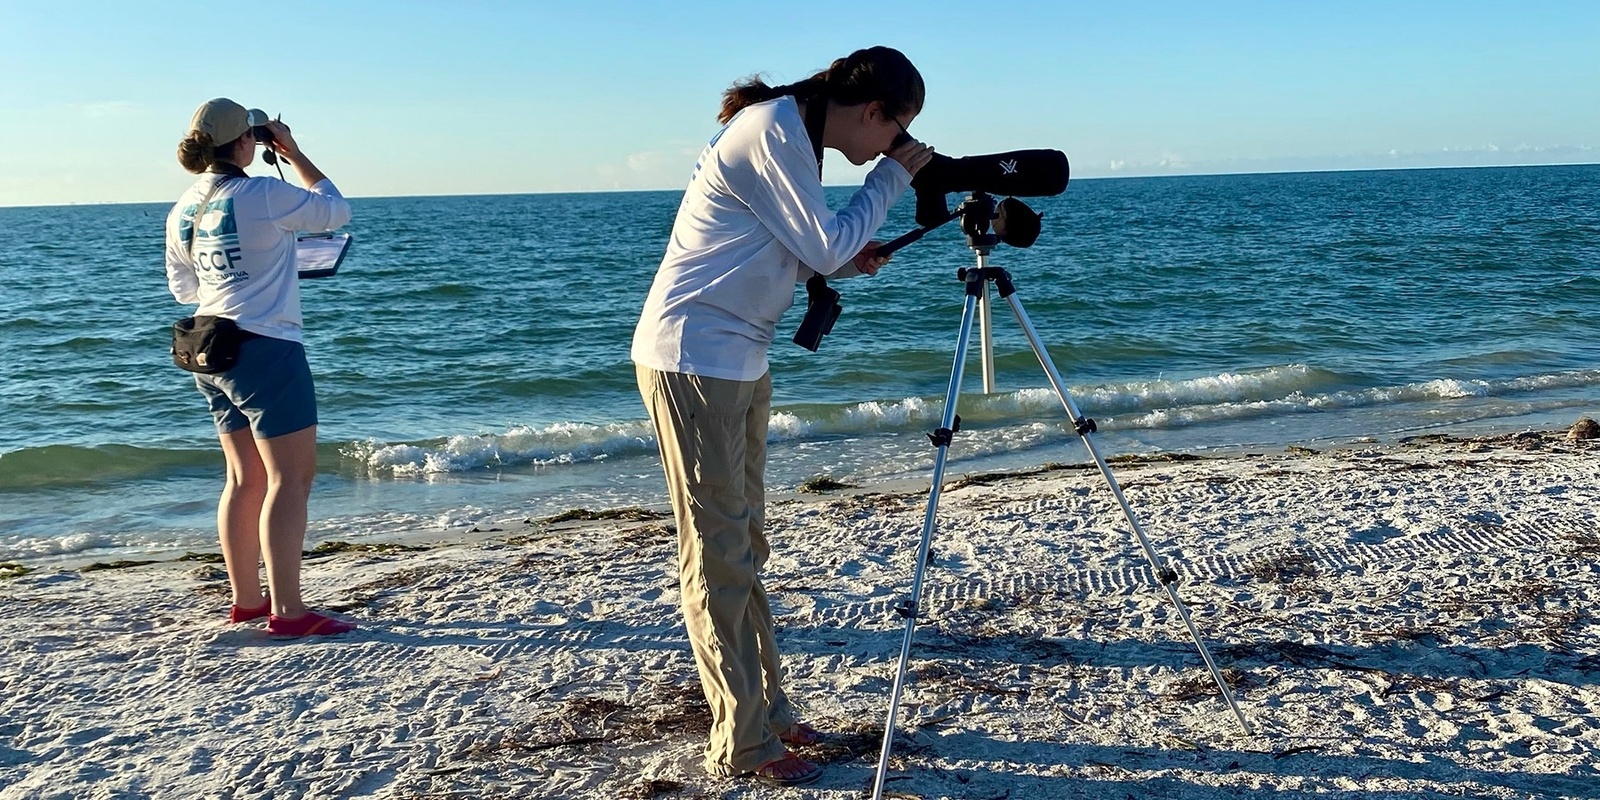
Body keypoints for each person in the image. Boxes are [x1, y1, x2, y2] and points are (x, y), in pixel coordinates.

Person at [631, 47, 934, 786]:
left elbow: (794, 249)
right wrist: (892, 180)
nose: (888, 148)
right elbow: (825, 241)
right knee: (717, 554)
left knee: (744, 546)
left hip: (736, 359)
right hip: (691, 356)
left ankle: (767, 711)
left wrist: (836, 255)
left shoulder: (793, 133)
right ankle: (742, 742)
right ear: (873, 113)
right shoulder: (774, 128)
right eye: (895, 131)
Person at [165, 98, 354, 638]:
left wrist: (251, 263)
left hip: (209, 348)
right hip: (267, 347)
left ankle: (247, 601)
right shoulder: (265, 192)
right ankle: (290, 613)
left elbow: (186, 290)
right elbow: (334, 208)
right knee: (290, 479)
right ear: (246, 143)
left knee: (244, 479)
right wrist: (293, 151)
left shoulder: (183, 207)